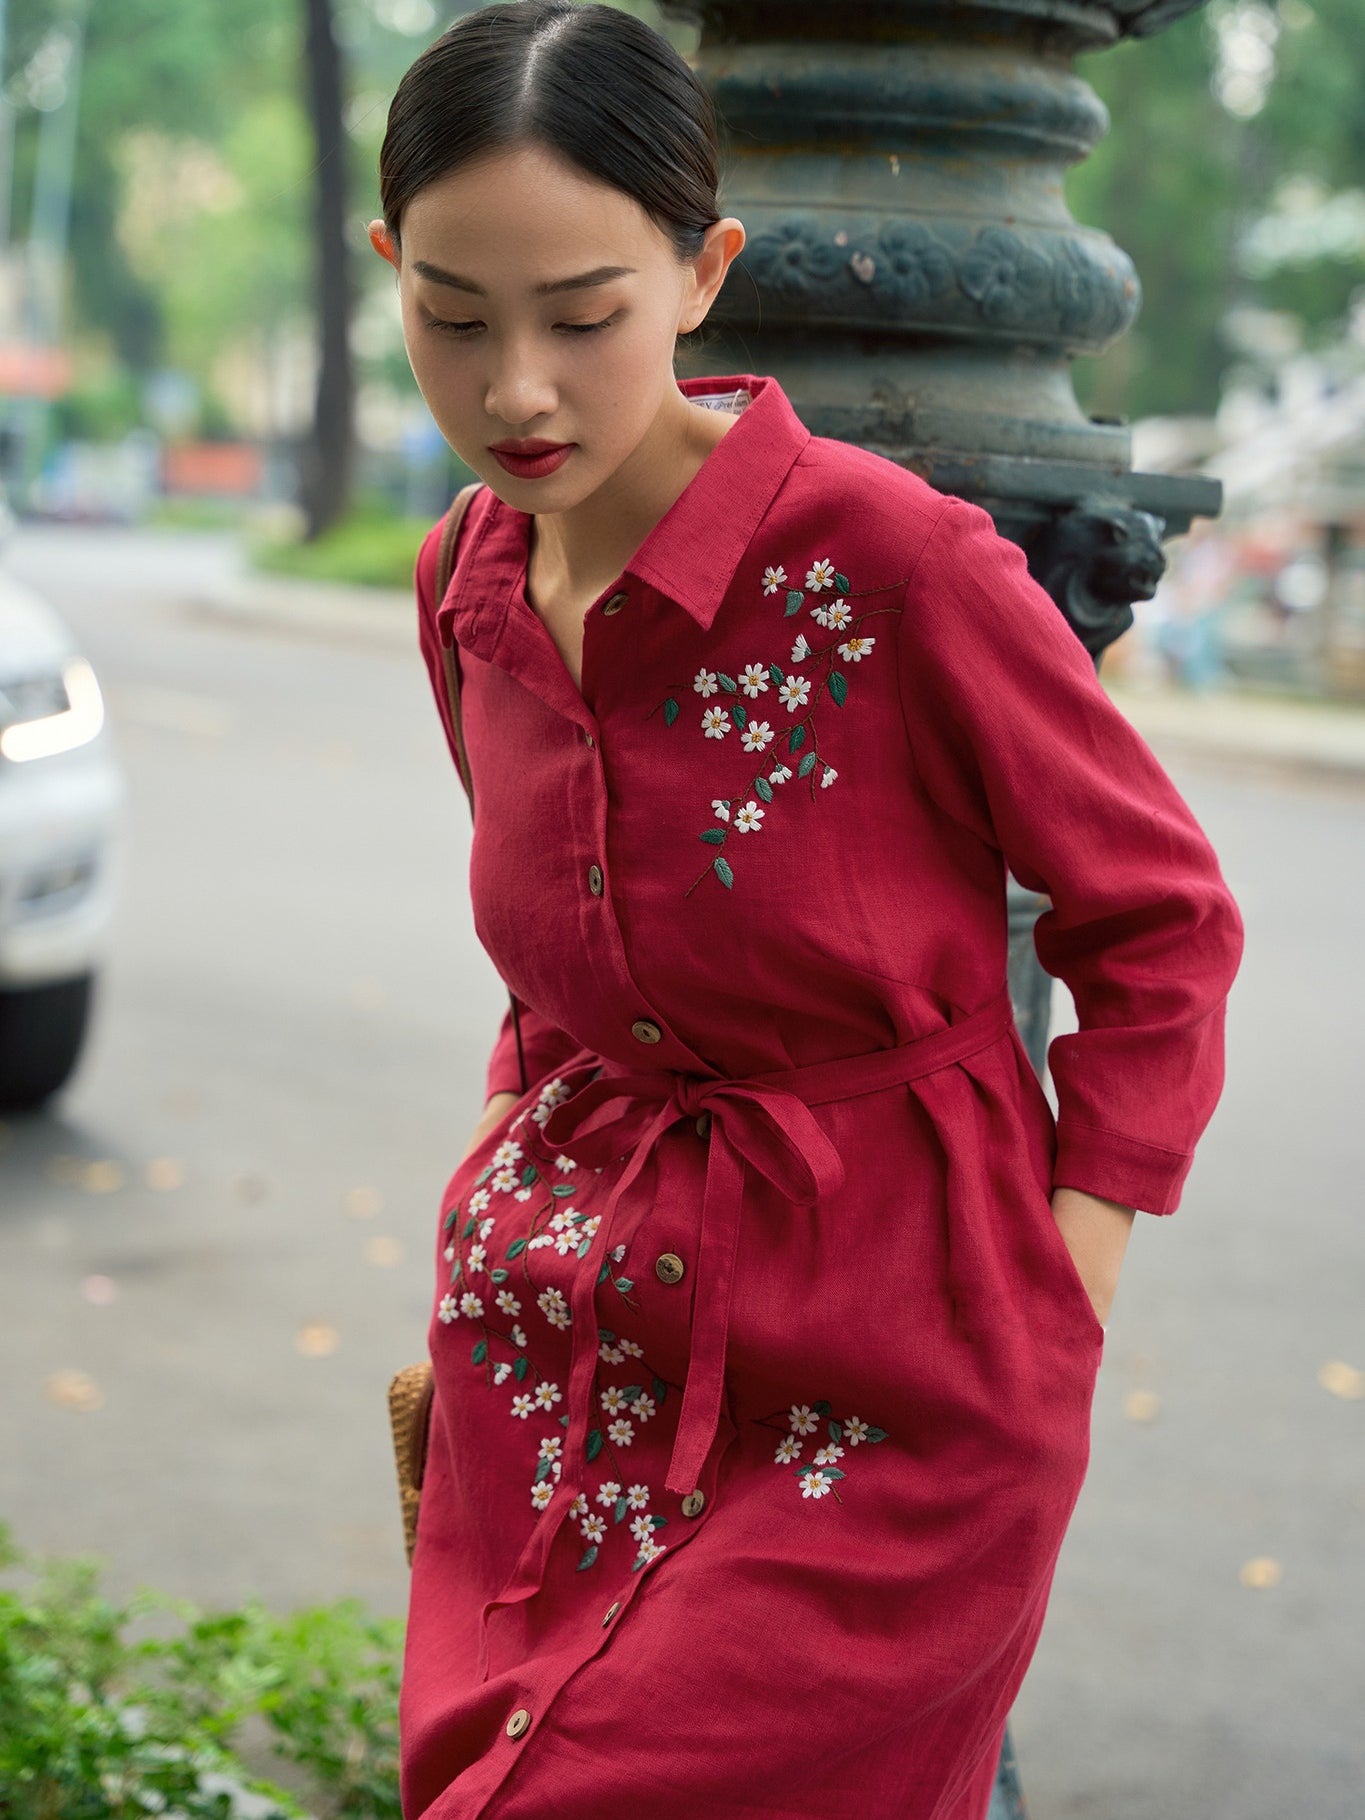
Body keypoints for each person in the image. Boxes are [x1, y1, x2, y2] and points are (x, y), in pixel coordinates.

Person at [367, 4, 1245, 1816]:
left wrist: (1061, 1275)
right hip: (561, 1347)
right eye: (454, 317)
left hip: (898, 1372)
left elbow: (1156, 918)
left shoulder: (897, 564)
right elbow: (560, 972)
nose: (514, 388)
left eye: (582, 316)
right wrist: (493, 1203)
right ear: (388, 271)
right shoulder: (465, 586)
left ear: (702, 275)